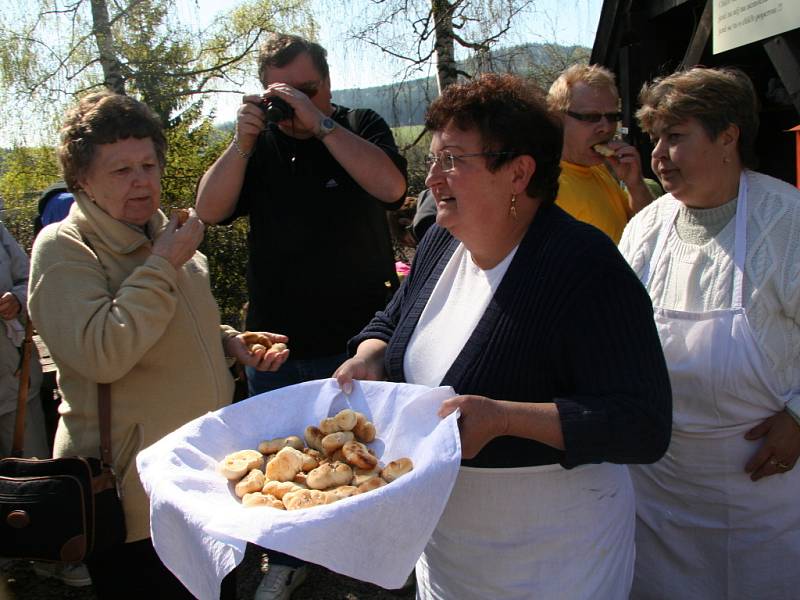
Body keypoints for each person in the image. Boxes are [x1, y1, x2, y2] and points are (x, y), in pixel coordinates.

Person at [334, 73, 672, 599]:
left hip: (553, 559)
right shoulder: (441, 247)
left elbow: (644, 423)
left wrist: (508, 419)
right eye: (433, 161)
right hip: (451, 552)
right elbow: (392, 321)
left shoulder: (584, 267)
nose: (432, 181)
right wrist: (370, 356)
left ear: (518, 173)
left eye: (452, 161)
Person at [27, 90, 288, 600]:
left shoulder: (169, 237)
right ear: (82, 179)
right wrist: (163, 263)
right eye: (121, 170)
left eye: (148, 163)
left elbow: (178, 328)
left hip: (209, 477)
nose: (142, 180)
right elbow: (103, 353)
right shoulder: (64, 249)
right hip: (135, 500)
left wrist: (232, 344)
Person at [195, 32, 407, 599]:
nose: (291, 106)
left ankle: (371, 556)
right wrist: (240, 145)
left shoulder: (359, 124)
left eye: (305, 90)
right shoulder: (259, 144)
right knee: (281, 459)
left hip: (353, 338)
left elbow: (391, 186)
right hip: (276, 340)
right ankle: (285, 556)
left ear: (327, 83)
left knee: (357, 459)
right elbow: (208, 211)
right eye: (279, 96)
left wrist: (322, 124)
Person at [619, 66, 800, 599]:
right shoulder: (645, 228)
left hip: (760, 485)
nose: (657, 155)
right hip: (659, 486)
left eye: (676, 137)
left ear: (728, 136)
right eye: (655, 138)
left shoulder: (785, 220)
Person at [547, 64, 654, 243]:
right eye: (590, 117)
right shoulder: (546, 187)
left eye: (612, 117)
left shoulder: (598, 169)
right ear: (557, 118)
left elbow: (649, 230)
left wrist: (635, 185)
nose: (606, 128)